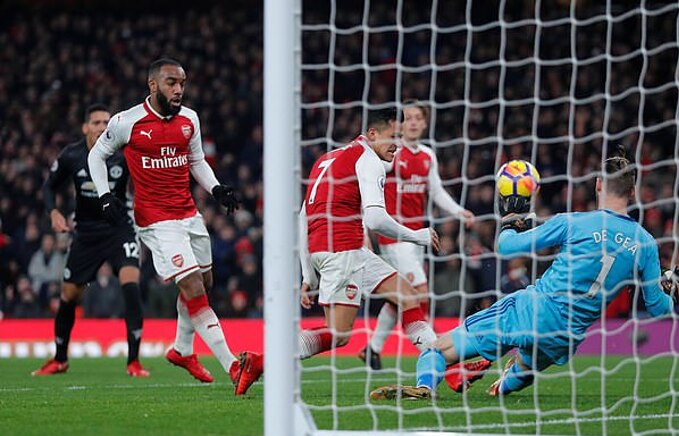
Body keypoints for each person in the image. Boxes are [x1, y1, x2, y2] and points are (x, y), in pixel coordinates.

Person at [370, 147, 679, 400]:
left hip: (532, 310)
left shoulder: (573, 222)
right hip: (567, 336)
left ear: (597, 184)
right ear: (632, 192)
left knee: (436, 350)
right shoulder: (645, 244)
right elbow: (658, 308)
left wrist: (512, 216)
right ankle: (501, 379)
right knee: (524, 370)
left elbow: (507, 247)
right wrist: (671, 288)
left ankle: (425, 386)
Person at [87, 58, 262, 395]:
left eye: (182, 82)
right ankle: (234, 365)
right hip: (156, 221)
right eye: (171, 83)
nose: (179, 89)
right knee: (193, 286)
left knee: (204, 284)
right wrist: (105, 196)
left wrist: (216, 188)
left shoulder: (189, 119)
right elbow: (96, 155)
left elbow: (196, 161)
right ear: (153, 85)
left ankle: (181, 349)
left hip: (188, 214)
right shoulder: (127, 122)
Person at [295, 108, 440, 368]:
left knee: (408, 296)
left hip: (336, 249)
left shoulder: (328, 158)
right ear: (372, 134)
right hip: (343, 251)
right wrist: (417, 236)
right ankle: (263, 360)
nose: (397, 144)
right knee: (339, 335)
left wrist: (308, 273)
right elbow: (375, 219)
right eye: (392, 136)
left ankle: (446, 367)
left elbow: (303, 217)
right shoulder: (369, 160)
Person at [358, 100, 488, 392]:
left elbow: (436, 191)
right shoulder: (390, 153)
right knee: (420, 293)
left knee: (402, 295)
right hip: (394, 236)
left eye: (419, 118)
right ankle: (440, 358)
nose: (414, 122)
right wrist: (366, 228)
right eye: (409, 118)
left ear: (425, 123)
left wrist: (458, 212)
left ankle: (373, 348)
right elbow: (368, 189)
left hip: (417, 237)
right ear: (400, 125)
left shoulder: (428, 155)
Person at [33, 104, 150, 377]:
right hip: (86, 233)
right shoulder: (72, 155)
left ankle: (134, 361)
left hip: (119, 228)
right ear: (85, 127)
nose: (102, 127)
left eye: (106, 122)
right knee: (69, 295)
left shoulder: (122, 153)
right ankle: (60, 359)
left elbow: (143, 184)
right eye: (96, 122)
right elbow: (49, 186)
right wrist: (53, 212)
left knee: (131, 284)